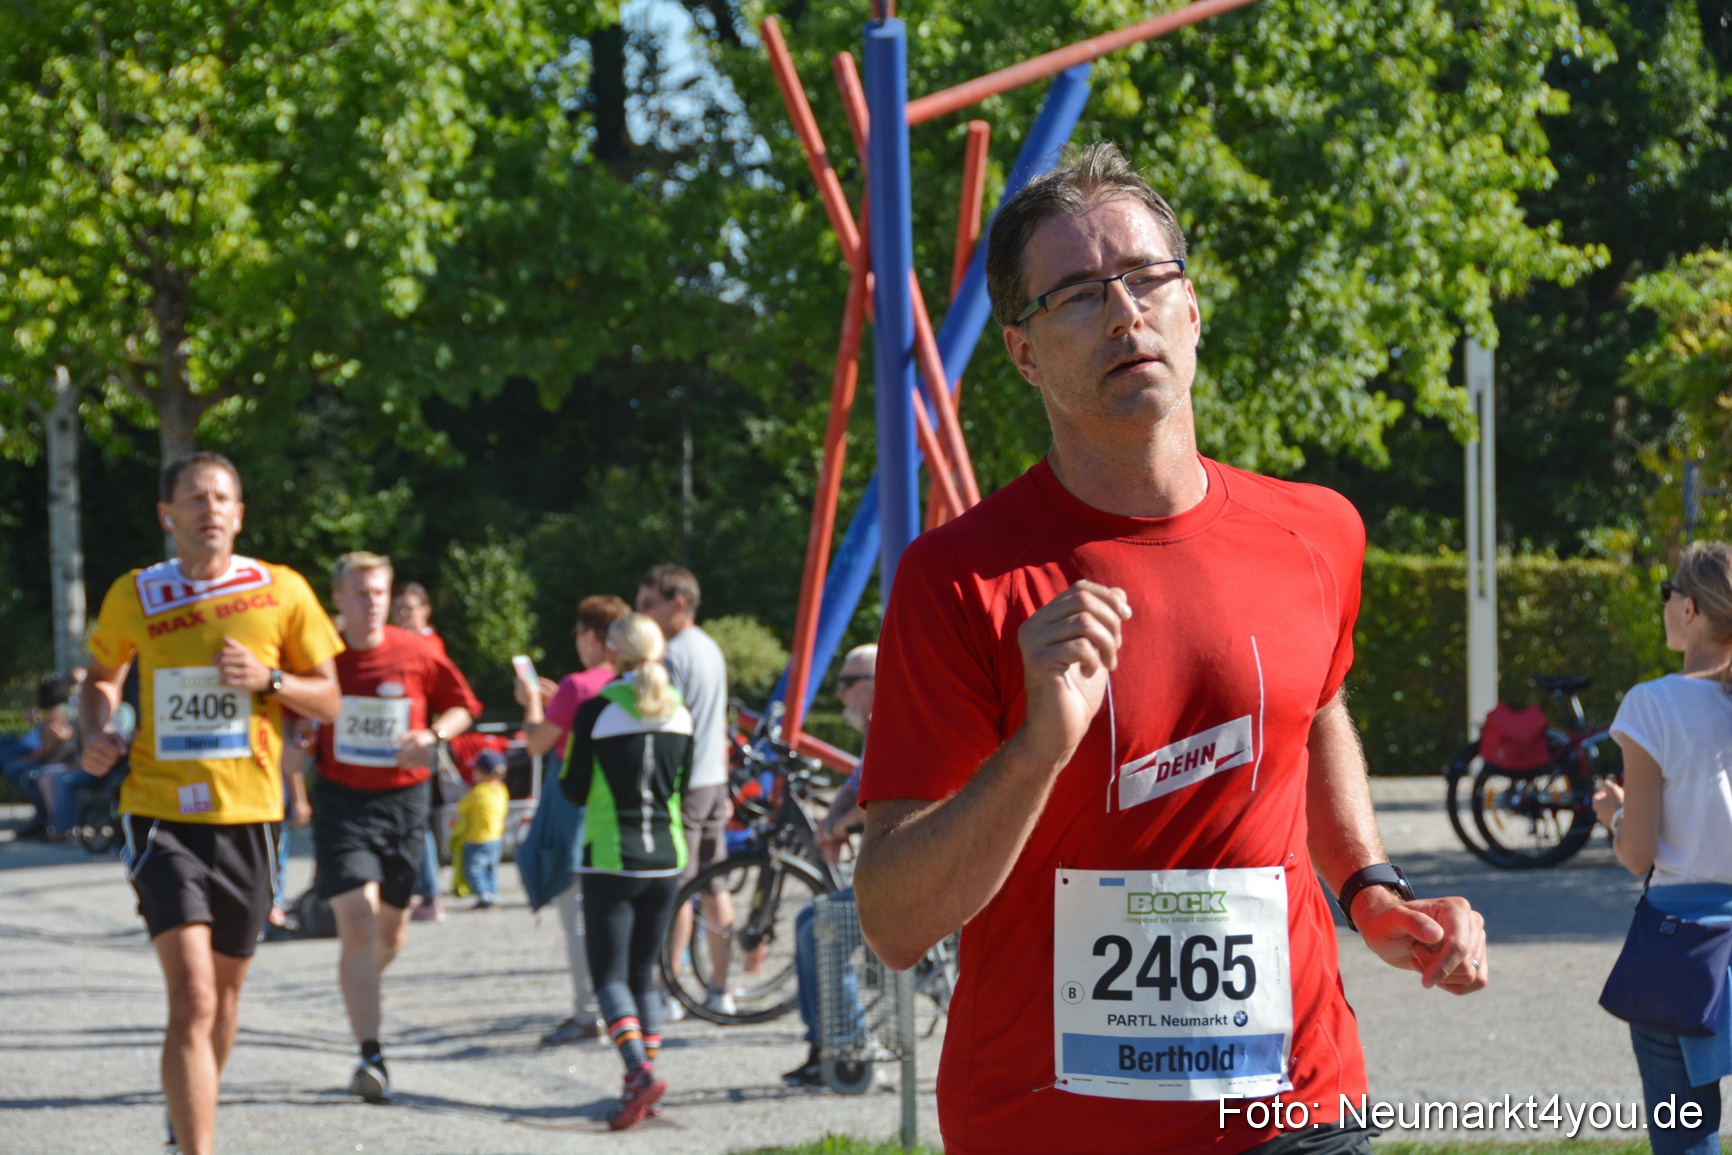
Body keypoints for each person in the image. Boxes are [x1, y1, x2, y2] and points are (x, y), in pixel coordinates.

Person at [851, 144, 1488, 1155]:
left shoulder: (1316, 532)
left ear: (1192, 308)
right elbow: (890, 919)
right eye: (1075, 292)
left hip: (1296, 1107)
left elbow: (1309, 710)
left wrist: (1369, 886)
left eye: (1146, 277)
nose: (1122, 311)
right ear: (1021, 351)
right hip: (1050, 1125)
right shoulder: (958, 578)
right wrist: (1037, 748)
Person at [78, 451, 342, 1155]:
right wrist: (97, 726)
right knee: (193, 996)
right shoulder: (135, 593)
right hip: (160, 811)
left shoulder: (281, 590)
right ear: (168, 516)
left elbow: (329, 696)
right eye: (194, 498)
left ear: (240, 513)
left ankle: (184, 1109)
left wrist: (270, 676)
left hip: (250, 815)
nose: (210, 509)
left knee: (225, 1000)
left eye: (223, 497)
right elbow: (102, 676)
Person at [311, 551, 482, 1100]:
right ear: (337, 598)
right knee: (356, 924)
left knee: (391, 933)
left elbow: (463, 708)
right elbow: (292, 711)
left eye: (379, 593)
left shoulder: (417, 651)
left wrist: (432, 737)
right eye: (360, 593)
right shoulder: (321, 656)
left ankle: (357, 979)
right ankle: (372, 1054)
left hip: (405, 803)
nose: (371, 604)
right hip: (341, 803)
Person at [1592, 543, 1732, 1155]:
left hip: (1683, 952)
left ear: (1692, 609)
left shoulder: (1652, 705)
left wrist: (1613, 812)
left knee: (1683, 1134)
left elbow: (1637, 853)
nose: (1666, 605)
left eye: (1667, 594)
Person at [559, 613, 695, 1130]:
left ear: (612, 654)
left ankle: (638, 1072)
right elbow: (682, 781)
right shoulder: (680, 710)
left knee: (609, 975)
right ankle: (646, 1079)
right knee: (643, 974)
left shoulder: (596, 710)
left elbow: (572, 789)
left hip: (610, 856)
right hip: (667, 857)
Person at [516, 593, 633, 1046]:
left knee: (578, 919)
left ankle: (588, 1012)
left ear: (591, 636)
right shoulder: (630, 683)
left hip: (578, 811)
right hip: (622, 811)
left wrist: (530, 702)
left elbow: (537, 743)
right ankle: (625, 1009)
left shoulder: (576, 686)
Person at [637, 564, 735, 1015]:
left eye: (648, 605)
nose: (642, 615)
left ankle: (668, 989)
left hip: (685, 783)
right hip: (713, 777)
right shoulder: (711, 648)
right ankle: (721, 988)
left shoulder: (673, 655)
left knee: (678, 888)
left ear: (678, 604)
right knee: (715, 886)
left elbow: (663, 724)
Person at [784, 644, 876, 1087]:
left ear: (876, 685)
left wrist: (840, 827)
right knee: (809, 919)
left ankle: (849, 1048)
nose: (839, 695)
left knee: (827, 929)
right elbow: (857, 782)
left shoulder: (898, 724)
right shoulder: (877, 729)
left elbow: (884, 798)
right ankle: (823, 1046)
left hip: (911, 879)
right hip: (883, 875)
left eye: (847, 683)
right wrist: (831, 821)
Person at [4, 673, 80, 837]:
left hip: (63, 761)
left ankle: (45, 824)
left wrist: (21, 761)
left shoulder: (60, 711)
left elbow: (46, 749)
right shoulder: (62, 709)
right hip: (58, 760)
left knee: (34, 776)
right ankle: (46, 823)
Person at [391, 581, 445, 656]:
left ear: (425, 610)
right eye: (398, 609)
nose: (402, 613)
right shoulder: (390, 643)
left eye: (409, 608)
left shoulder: (432, 644)